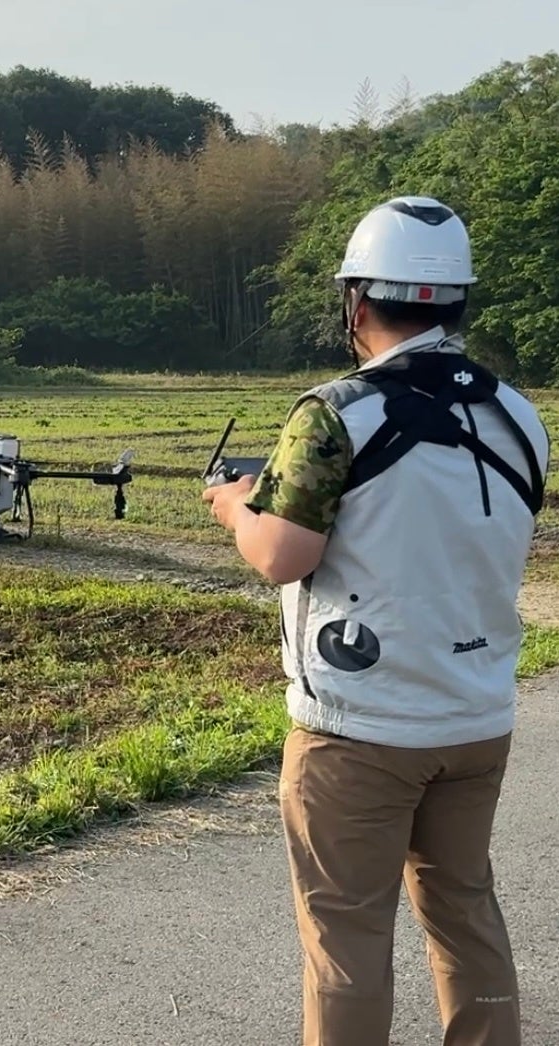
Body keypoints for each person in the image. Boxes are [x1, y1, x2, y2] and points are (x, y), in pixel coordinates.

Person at [201, 195, 550, 1046]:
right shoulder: (517, 415)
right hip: (475, 714)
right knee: (463, 909)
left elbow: (282, 554)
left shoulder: (333, 413)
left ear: (354, 301)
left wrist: (233, 506)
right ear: (457, 301)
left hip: (360, 728)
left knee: (346, 935)